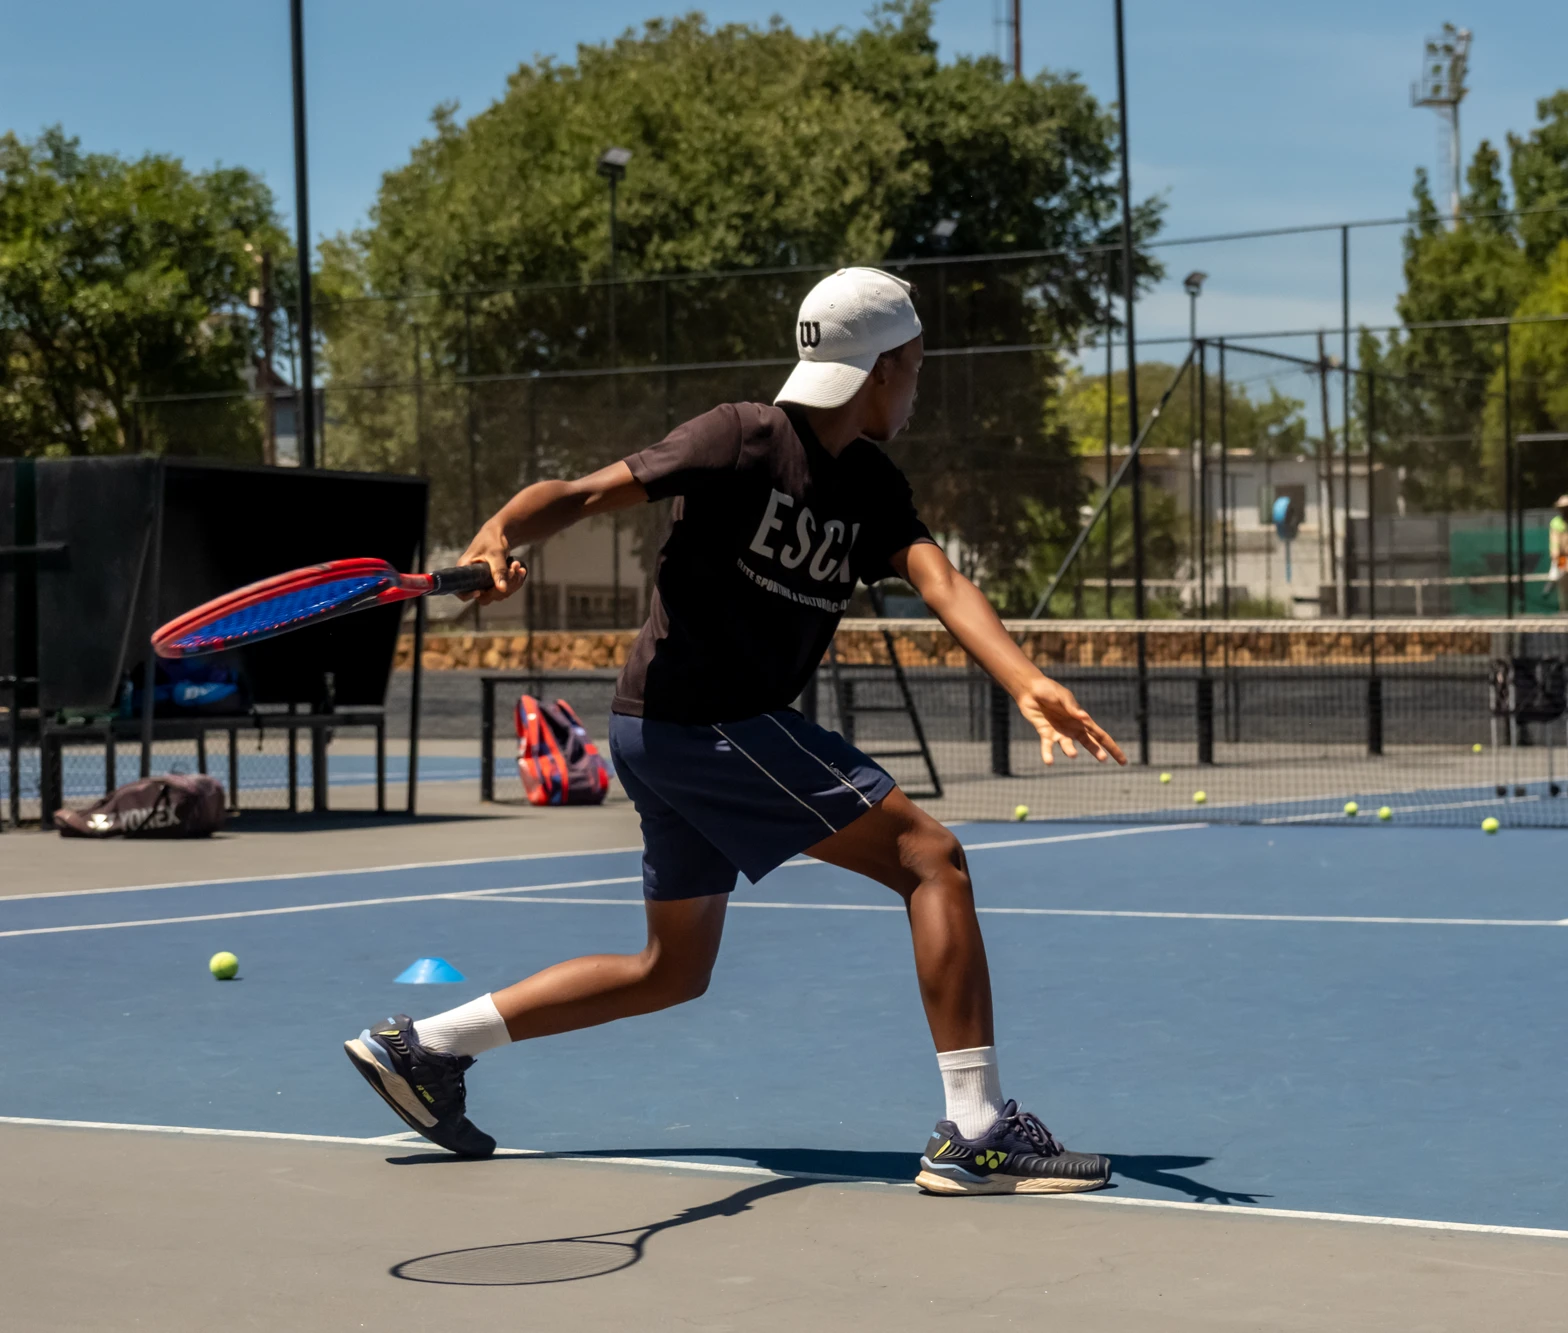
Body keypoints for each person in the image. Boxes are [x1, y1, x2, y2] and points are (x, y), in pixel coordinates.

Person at [343, 267, 1125, 1195]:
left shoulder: (870, 485)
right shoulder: (741, 438)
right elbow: (587, 493)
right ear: (880, 369)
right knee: (931, 857)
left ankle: (427, 1045)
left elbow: (941, 581)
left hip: (663, 728)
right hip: (704, 720)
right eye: (913, 366)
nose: (916, 386)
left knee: (671, 969)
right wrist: (503, 529)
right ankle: (979, 1129)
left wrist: (1027, 679)